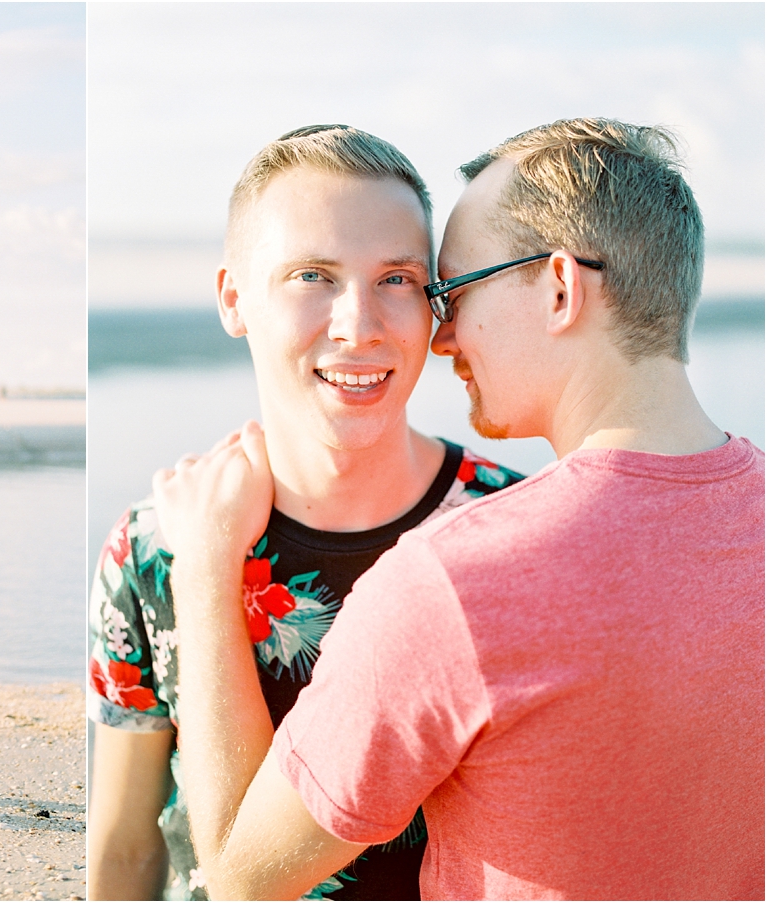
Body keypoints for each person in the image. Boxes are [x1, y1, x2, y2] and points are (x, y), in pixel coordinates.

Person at [153, 118, 765, 900]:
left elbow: (243, 875)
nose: (441, 337)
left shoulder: (457, 580)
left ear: (558, 288)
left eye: (452, 289)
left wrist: (204, 568)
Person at [86, 126, 525, 900]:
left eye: (397, 279)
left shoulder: (514, 524)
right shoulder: (151, 546)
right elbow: (125, 847)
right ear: (234, 298)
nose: (360, 324)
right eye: (312, 275)